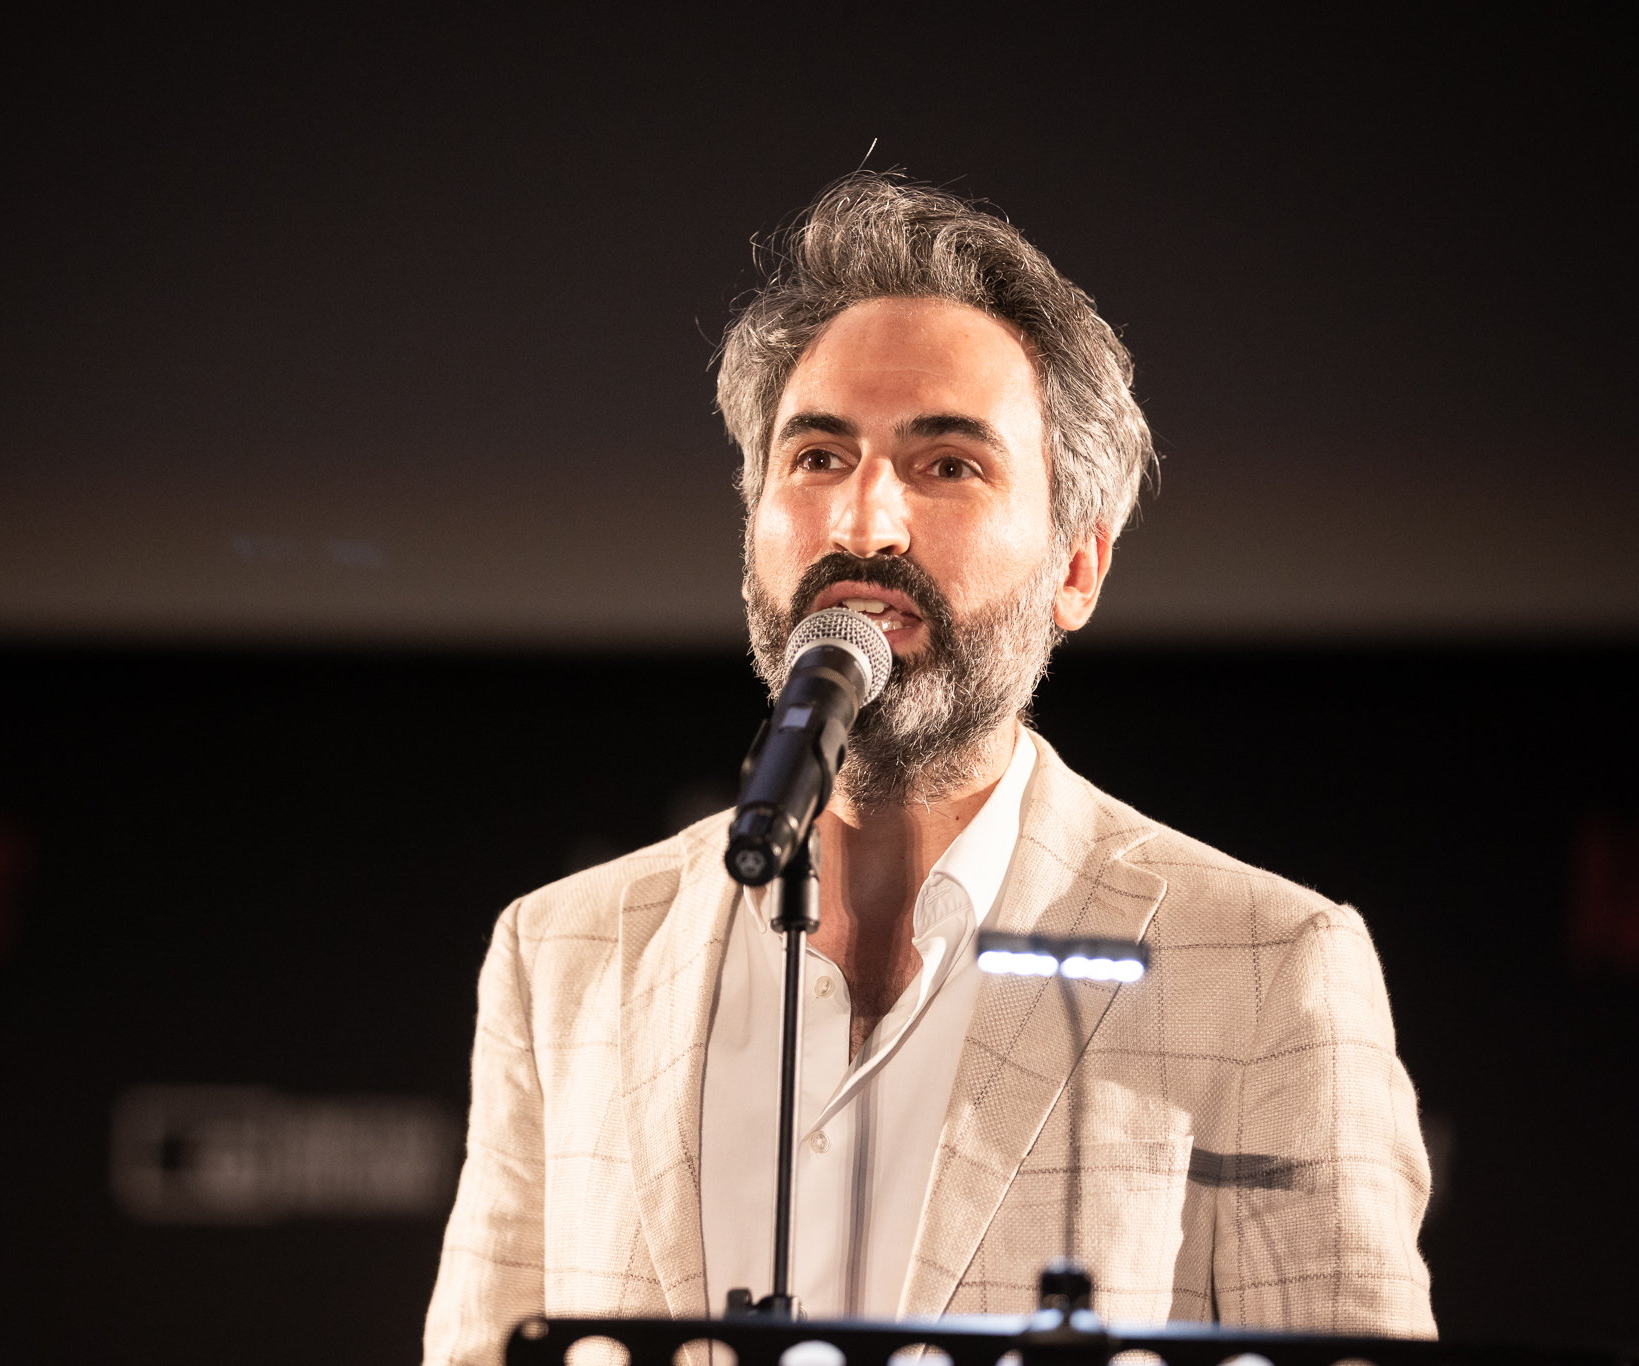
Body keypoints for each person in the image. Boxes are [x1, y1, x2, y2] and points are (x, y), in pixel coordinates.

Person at [423, 173, 1435, 1365]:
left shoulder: (1267, 968)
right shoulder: (562, 954)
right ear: (751, 528)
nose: (864, 524)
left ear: (1076, 567)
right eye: (816, 456)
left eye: (946, 463)